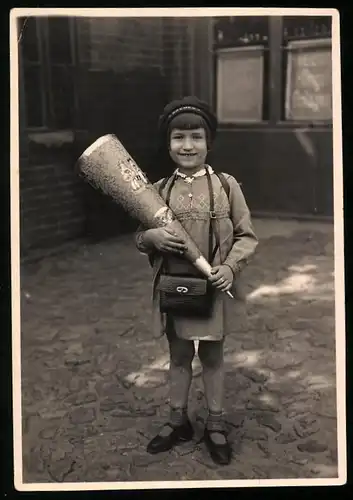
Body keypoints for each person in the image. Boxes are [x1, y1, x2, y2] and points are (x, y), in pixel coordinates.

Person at [135, 96, 258, 465]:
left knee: (213, 358)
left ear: (209, 142)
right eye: (178, 138)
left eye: (196, 137)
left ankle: (216, 425)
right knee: (178, 357)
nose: (187, 145)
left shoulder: (226, 185)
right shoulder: (157, 190)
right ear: (168, 143)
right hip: (176, 289)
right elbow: (141, 236)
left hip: (214, 291)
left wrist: (230, 268)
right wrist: (151, 238)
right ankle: (178, 421)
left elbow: (246, 236)